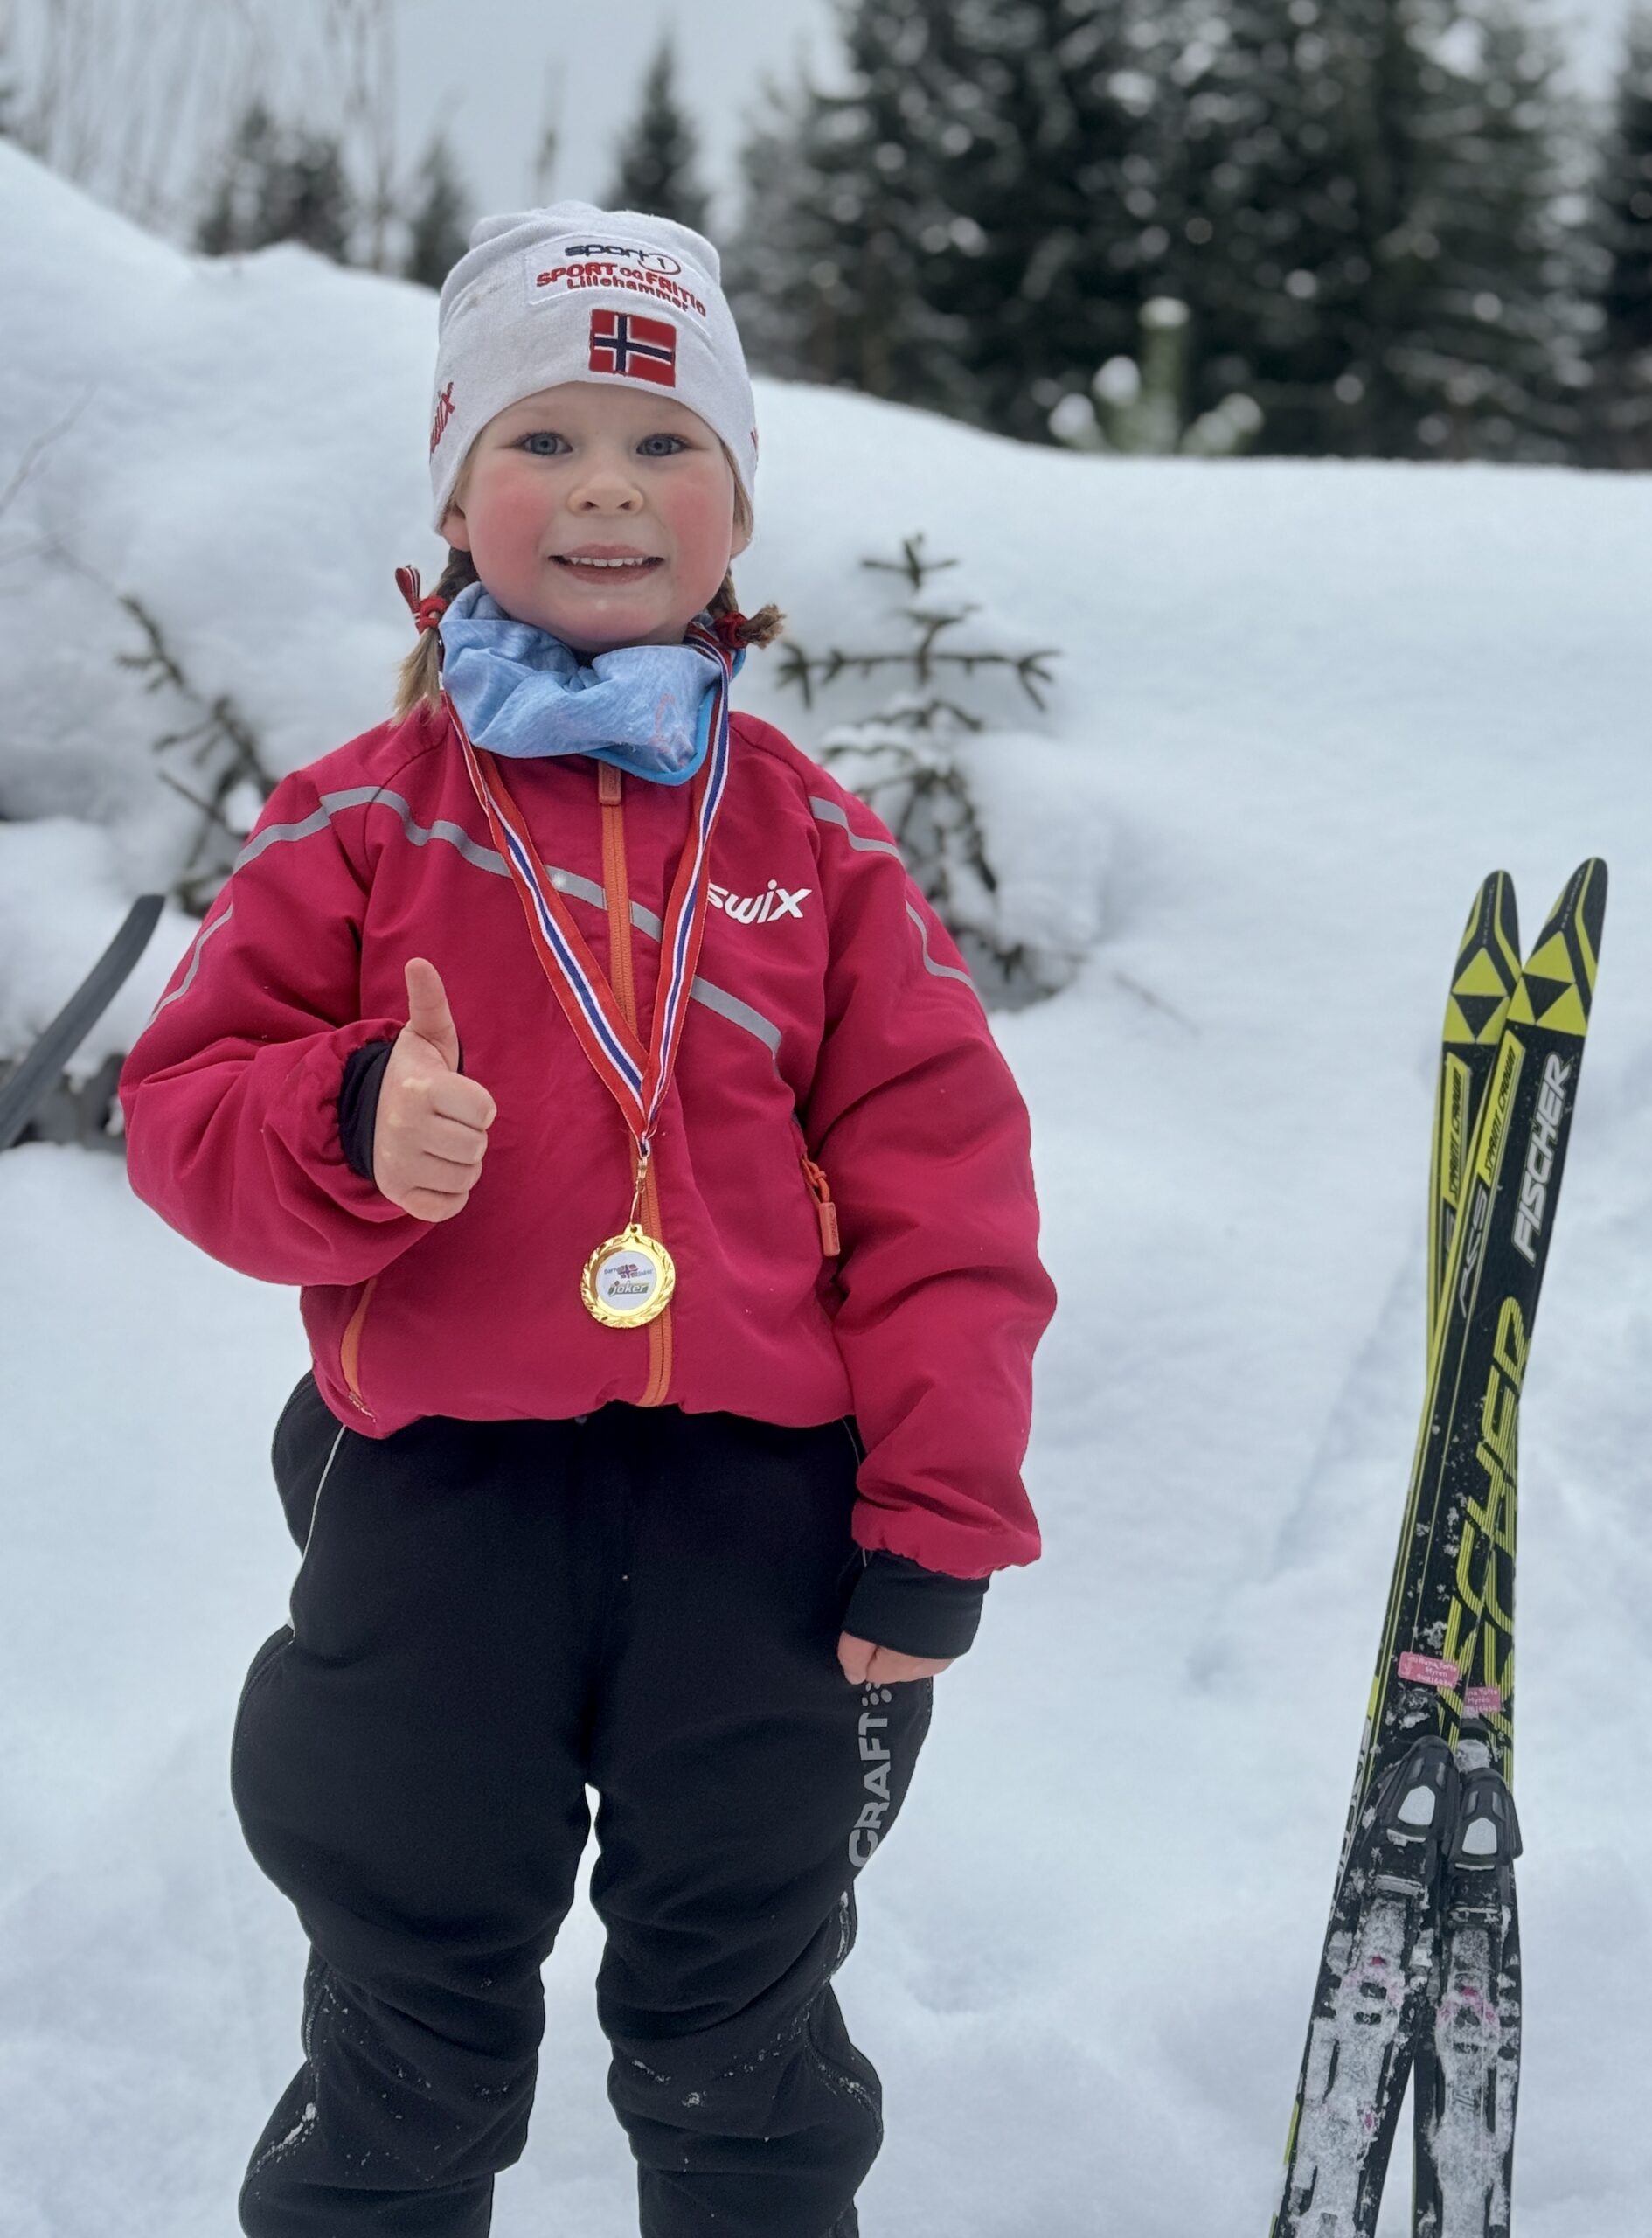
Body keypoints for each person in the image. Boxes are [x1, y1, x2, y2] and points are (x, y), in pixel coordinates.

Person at [117, 199, 1057, 2238]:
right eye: (542, 438)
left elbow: (950, 1192)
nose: (607, 486)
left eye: (663, 442)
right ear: (459, 498)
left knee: (745, 2021)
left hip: (766, 1518)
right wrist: (346, 1115)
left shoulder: (817, 845)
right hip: (439, 1499)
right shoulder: (363, 815)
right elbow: (181, 1106)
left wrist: (938, 1515)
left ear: (737, 509)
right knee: (405, 2001)